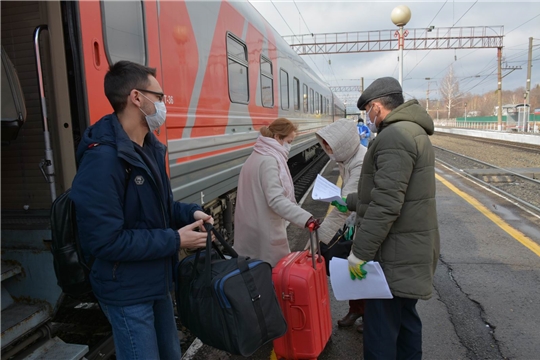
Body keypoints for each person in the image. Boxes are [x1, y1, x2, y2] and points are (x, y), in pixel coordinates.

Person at [70, 60, 214, 359]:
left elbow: (158, 209)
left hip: (155, 281)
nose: (164, 104)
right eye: (159, 97)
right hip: (126, 291)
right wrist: (176, 240)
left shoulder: (148, 147)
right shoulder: (103, 160)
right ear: (137, 98)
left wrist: (189, 213)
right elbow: (105, 240)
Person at [345, 77, 440, 359]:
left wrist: (359, 254)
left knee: (381, 331)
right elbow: (397, 193)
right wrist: (349, 201)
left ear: (376, 107)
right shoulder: (412, 131)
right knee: (406, 322)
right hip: (410, 249)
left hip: (395, 254)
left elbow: (387, 204)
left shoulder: (394, 137)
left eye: (367, 111)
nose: (367, 118)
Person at [234, 118, 320, 267]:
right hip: (264, 235)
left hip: (250, 232)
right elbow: (275, 200)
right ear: (277, 137)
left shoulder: (255, 156)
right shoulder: (269, 161)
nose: (289, 146)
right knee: (270, 278)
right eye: (289, 141)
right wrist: (306, 219)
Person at [312, 118, 367, 332]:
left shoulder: (360, 162)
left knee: (360, 269)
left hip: (360, 222)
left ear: (343, 144)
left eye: (331, 146)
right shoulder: (348, 158)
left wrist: (322, 235)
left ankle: (367, 314)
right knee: (351, 269)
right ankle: (357, 309)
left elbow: (346, 204)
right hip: (354, 222)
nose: (328, 151)